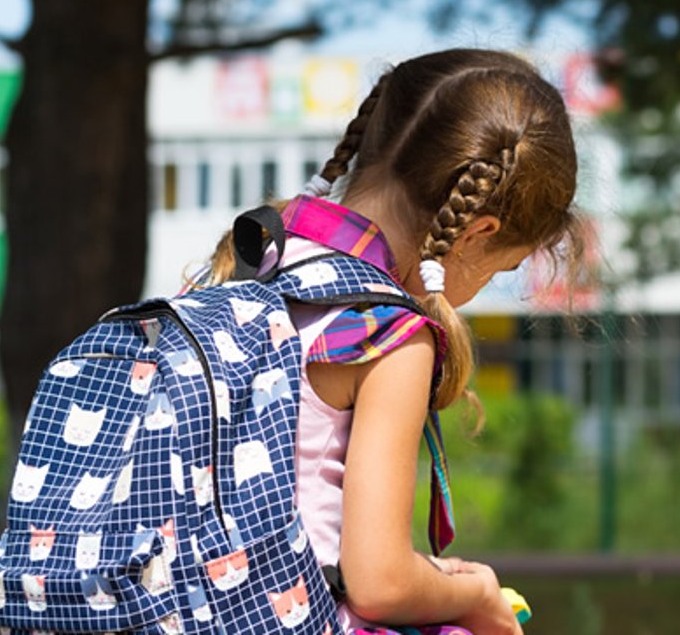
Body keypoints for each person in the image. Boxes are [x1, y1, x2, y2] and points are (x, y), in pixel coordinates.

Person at [202, 48, 583, 635]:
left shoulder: (244, 266)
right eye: (498, 272)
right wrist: (476, 594)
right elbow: (379, 584)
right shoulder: (386, 332)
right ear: (476, 232)